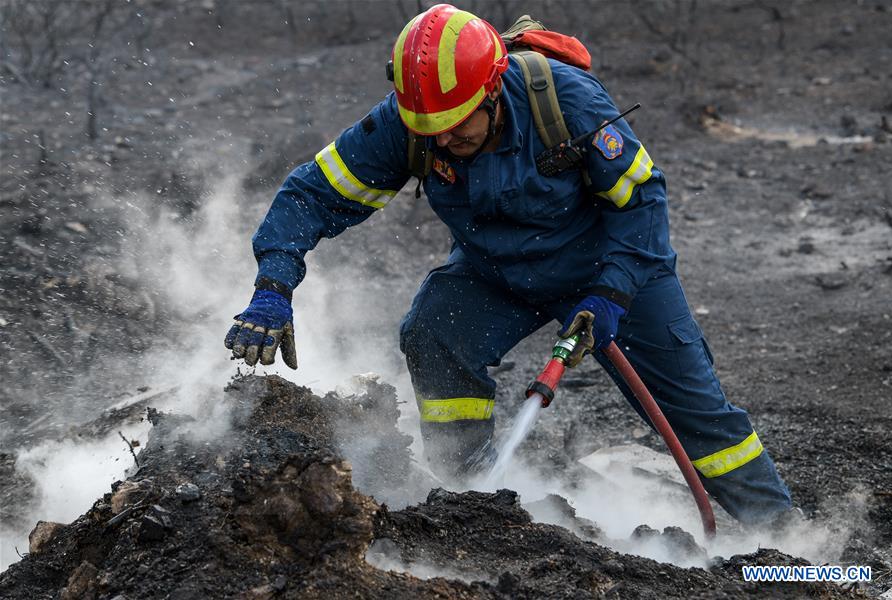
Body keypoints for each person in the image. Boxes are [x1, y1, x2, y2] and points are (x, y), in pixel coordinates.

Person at [225, 4, 793, 525]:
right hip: (496, 273)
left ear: (493, 87)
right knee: (433, 334)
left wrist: (613, 293)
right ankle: (475, 499)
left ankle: (786, 545)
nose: (444, 139)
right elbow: (311, 194)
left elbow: (641, 202)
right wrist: (273, 287)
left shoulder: (567, 101)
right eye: (432, 130)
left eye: (459, 123)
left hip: (612, 271)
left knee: (697, 417)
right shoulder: (414, 121)